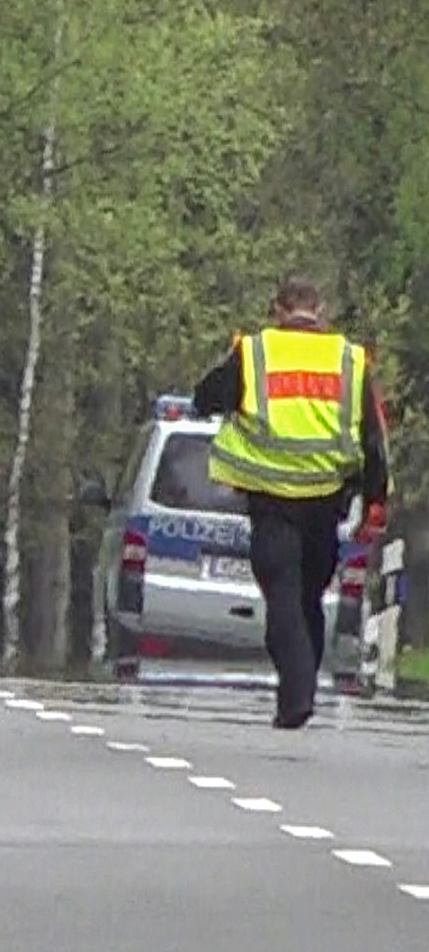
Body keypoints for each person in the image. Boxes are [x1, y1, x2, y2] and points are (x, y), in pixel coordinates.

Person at [192, 275, 392, 730]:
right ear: (319, 312)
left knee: (283, 593)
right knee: (307, 595)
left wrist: (217, 383)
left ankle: (297, 690)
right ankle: (296, 692)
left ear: (278, 311)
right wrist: (376, 500)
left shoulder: (255, 352)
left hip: (273, 499)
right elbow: (373, 437)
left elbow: (206, 397)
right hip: (325, 499)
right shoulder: (350, 359)